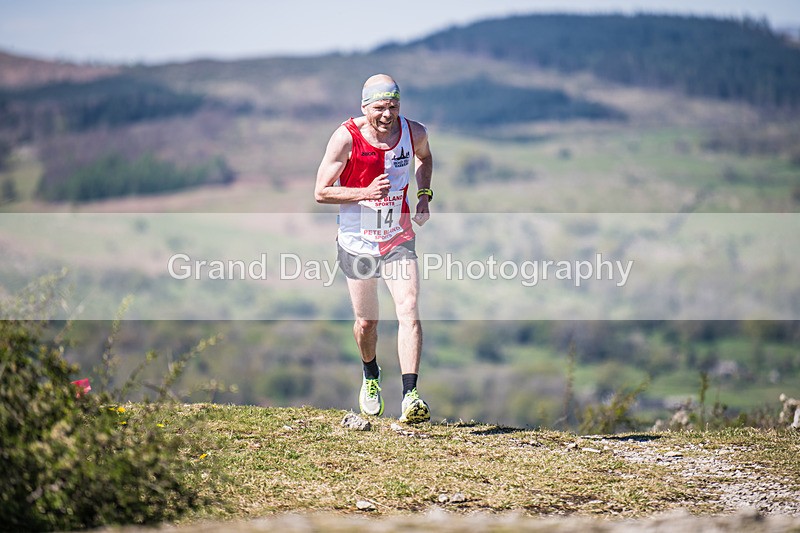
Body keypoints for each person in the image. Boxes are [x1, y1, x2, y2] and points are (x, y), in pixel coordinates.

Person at [314, 74, 434, 423]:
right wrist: (365, 192)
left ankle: (411, 396)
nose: (387, 115)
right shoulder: (346, 137)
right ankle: (370, 375)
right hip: (357, 241)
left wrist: (424, 195)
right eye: (380, 107)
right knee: (367, 322)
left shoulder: (414, 132)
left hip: (398, 236)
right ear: (364, 107)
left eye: (393, 106)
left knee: (408, 308)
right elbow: (321, 192)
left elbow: (425, 158)